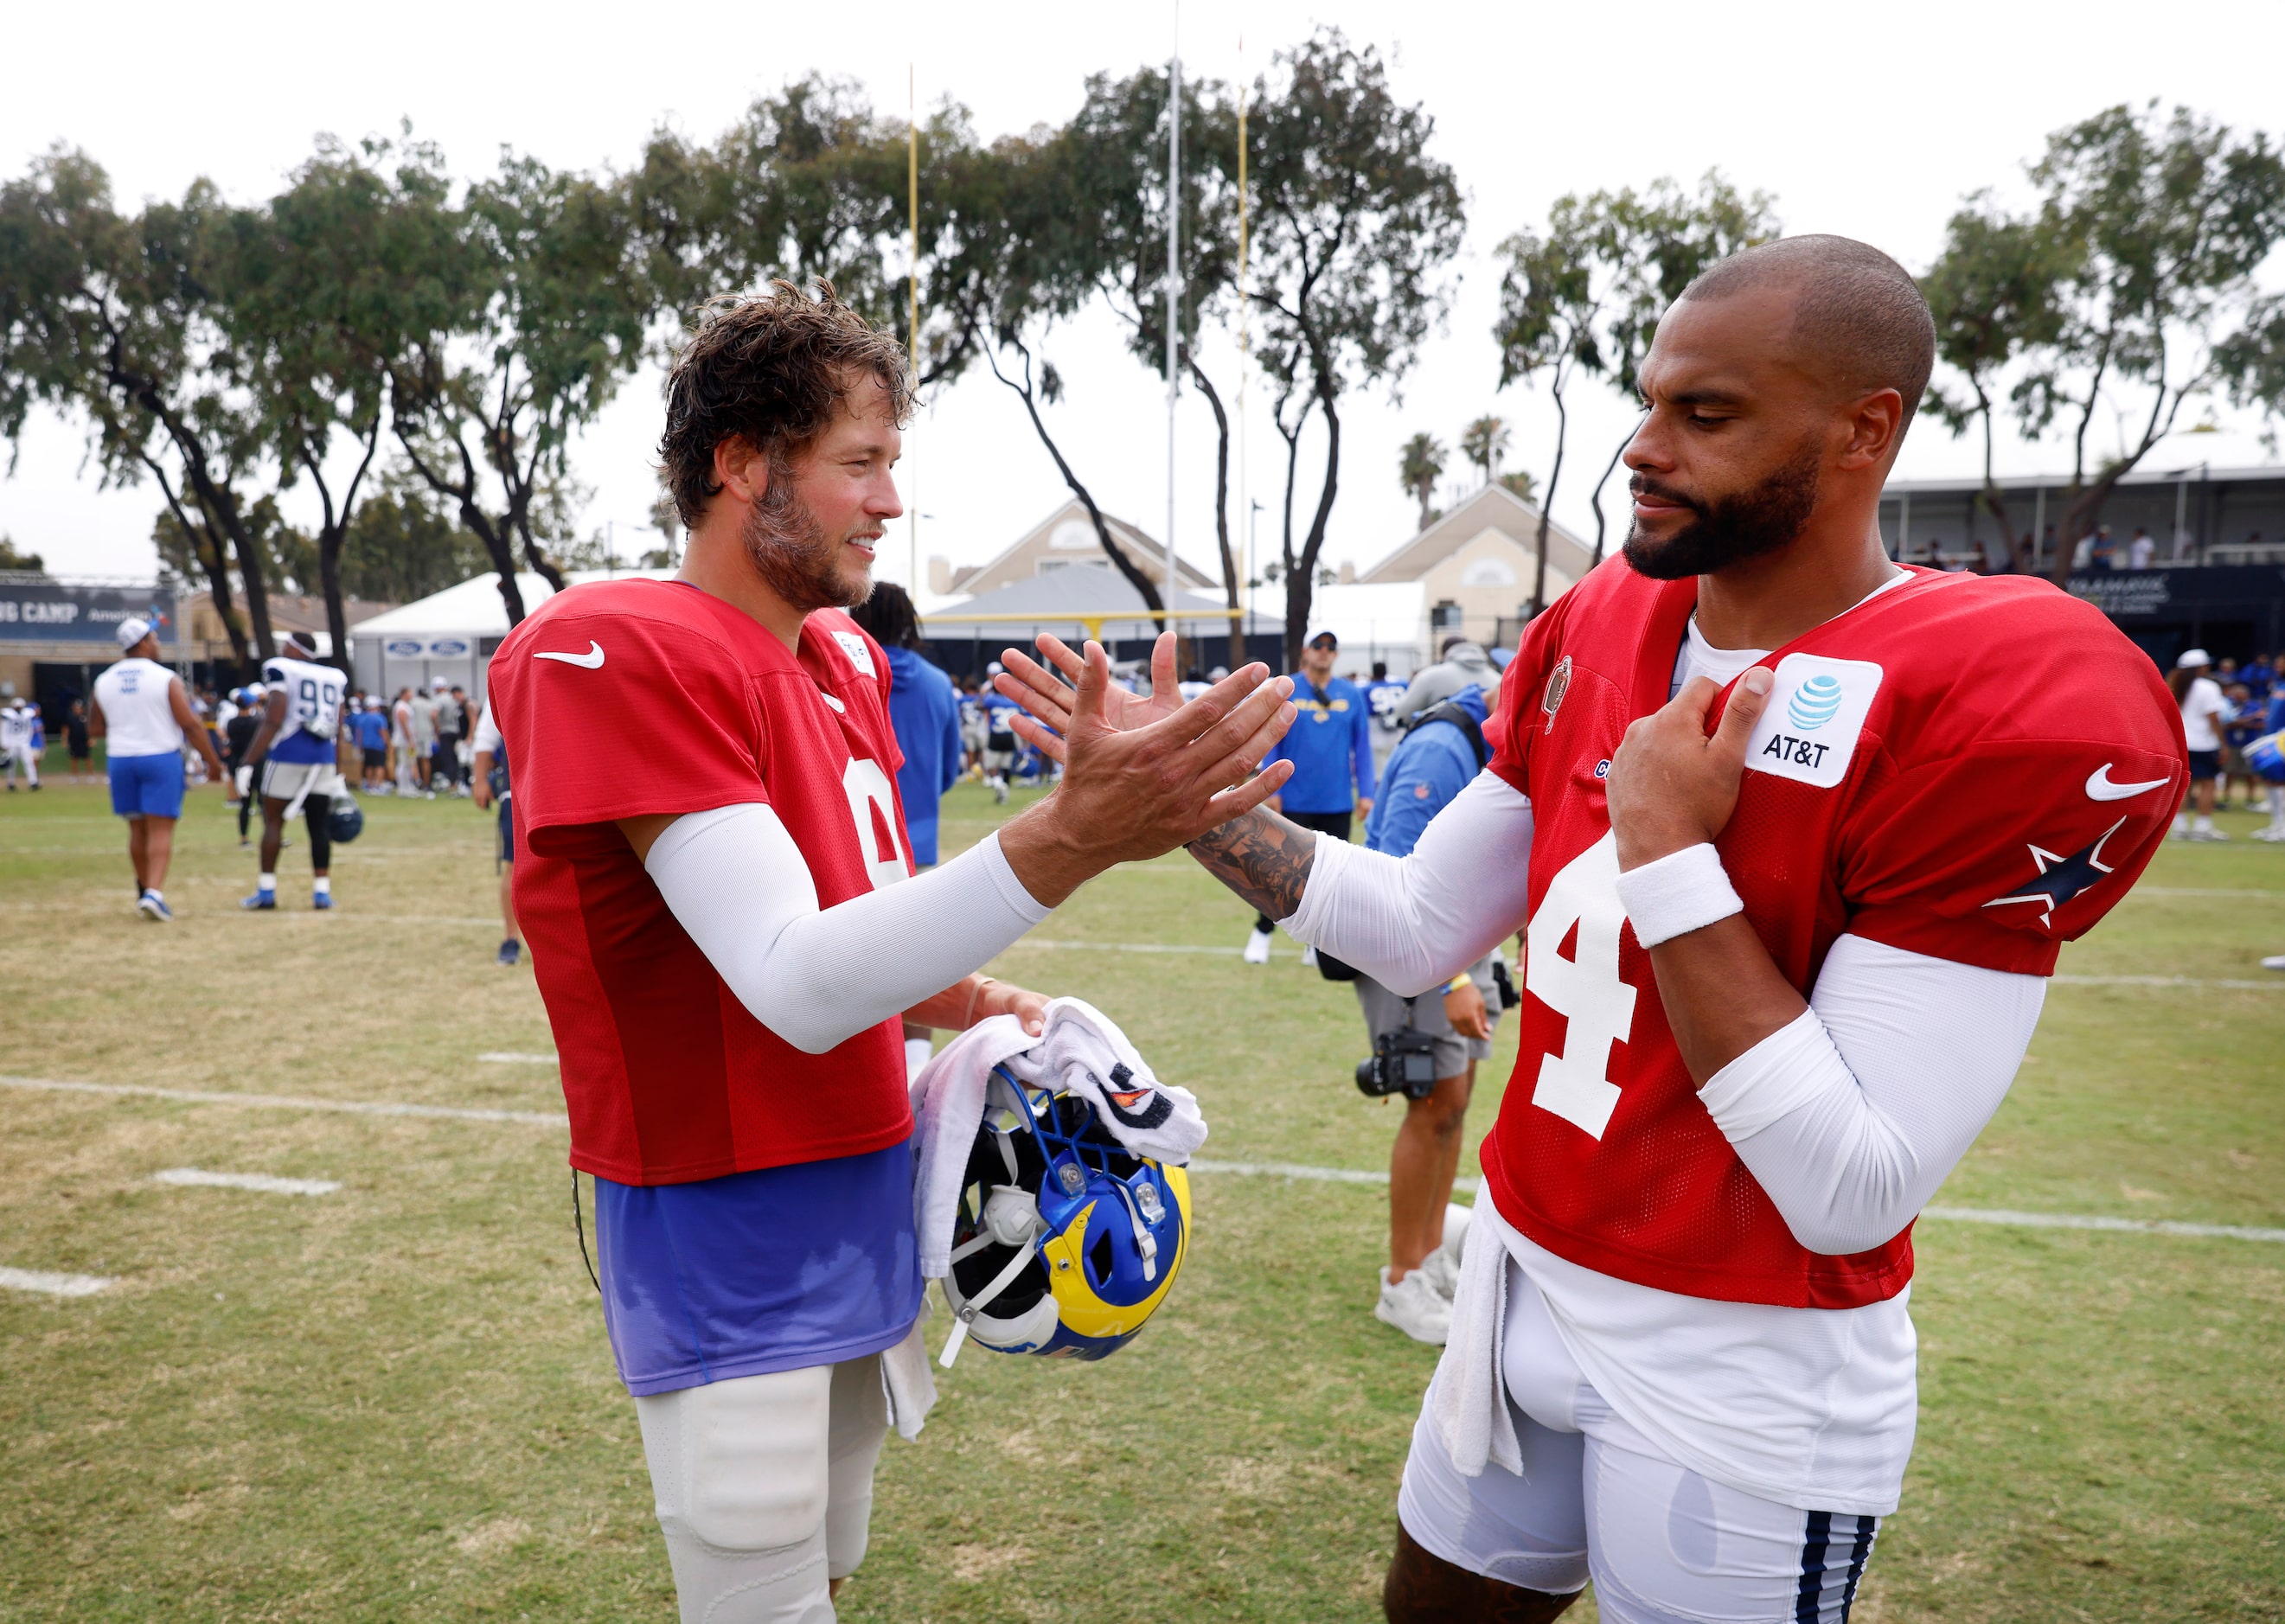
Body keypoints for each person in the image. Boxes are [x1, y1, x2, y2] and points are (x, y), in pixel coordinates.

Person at [992, 234, 2185, 1621]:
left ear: (1865, 429)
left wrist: (1668, 846)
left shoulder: (1980, 689)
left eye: (1707, 413)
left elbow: (1848, 1187)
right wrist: (1187, 796)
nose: (1644, 444)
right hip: (1523, 1266)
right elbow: (1418, 923)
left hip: (1741, 1342)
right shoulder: (1606, 620)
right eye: (1651, 400)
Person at [483, 284, 1292, 1624]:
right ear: (740, 464)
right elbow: (793, 979)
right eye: (858, 465)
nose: (887, 504)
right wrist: (1068, 840)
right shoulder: (620, 646)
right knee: (757, 1586)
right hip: (719, 1203)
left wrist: (974, 996)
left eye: (889, 467)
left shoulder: (845, 657)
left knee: (831, 1559)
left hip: (863, 1169)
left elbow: (855, 916)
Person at [1355, 682, 1508, 1346]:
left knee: (1454, 1101)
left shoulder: (1474, 738)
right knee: (1433, 1102)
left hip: (1459, 945)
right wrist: (1453, 978)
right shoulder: (1444, 743)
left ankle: (1430, 1254)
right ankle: (1403, 1279)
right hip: (1420, 953)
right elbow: (1397, 868)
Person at [1242, 628, 1374, 964]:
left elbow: (1362, 746)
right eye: (1319, 645)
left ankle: (1315, 945)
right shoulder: (1289, 689)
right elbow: (1272, 740)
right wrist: (1272, 787)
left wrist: (1367, 792)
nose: (1324, 651)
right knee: (1278, 871)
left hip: (1336, 800)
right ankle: (1262, 932)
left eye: (1331, 646)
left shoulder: (1350, 693)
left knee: (1329, 879)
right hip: (1293, 799)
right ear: (1306, 650)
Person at [90, 618, 230, 921]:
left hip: (121, 759)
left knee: (136, 828)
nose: (158, 643)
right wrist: (214, 762)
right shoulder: (165, 678)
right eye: (153, 638)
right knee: (161, 829)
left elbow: (96, 727)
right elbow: (190, 724)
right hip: (159, 756)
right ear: (142, 642)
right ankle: (154, 893)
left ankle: (143, 891)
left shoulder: (103, 680)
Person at [240, 634, 349, 910]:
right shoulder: (334, 676)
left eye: (287, 644)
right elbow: (339, 724)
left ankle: (266, 890)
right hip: (323, 756)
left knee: (273, 820)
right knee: (318, 824)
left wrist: (248, 761)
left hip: (289, 750)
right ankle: (322, 892)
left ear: (295, 648)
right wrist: (338, 768)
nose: (283, 649)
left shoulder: (281, 667)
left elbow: (274, 717)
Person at [469, 698, 522, 967]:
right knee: (514, 868)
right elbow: (486, 737)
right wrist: (479, 780)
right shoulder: (510, 672)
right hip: (518, 792)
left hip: (569, 790)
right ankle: (511, 938)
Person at [2169, 648, 2232, 841]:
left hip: (2181, 744)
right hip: (2204, 744)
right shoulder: (2208, 687)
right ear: (2202, 667)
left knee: (2184, 788)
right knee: (2208, 785)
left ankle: (2179, 828)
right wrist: (2223, 743)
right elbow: (2213, 718)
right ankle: (2202, 828)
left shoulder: (2174, 684)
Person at [1391, 637, 1501, 728]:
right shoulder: (1498, 679)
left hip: (1438, 747)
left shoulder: (1430, 675)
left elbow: (1402, 715)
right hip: (1490, 750)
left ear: (1444, 653)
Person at [223, 688, 264, 847]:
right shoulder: (256, 722)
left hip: (238, 765)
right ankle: (270, 835)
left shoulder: (231, 722)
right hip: (256, 764)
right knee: (263, 802)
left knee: (245, 804)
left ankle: (244, 838)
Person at [351, 698, 391, 791]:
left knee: (369, 765)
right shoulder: (380, 718)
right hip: (378, 745)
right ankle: (378, 786)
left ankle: (369, 785)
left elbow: (359, 733)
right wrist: (388, 744)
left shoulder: (362, 718)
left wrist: (360, 745)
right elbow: (383, 732)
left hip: (366, 745)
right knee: (379, 765)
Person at [0, 694, 38, 790]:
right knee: (11, 764)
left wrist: (28, 739)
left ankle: (33, 782)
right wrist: (4, 743)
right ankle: (10, 783)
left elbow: (30, 728)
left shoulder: (27, 714)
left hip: (24, 742)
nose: (18, 708)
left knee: (29, 762)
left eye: (20, 707)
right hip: (12, 743)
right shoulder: (8, 715)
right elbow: (4, 729)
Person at [64, 697, 92, 783]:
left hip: (84, 741)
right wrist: (64, 740)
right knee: (74, 759)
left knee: (87, 758)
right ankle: (74, 777)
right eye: (76, 707)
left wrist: (91, 738)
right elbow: (66, 729)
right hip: (74, 741)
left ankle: (90, 776)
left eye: (80, 707)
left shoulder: (85, 717)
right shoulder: (70, 718)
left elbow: (89, 729)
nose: (78, 709)